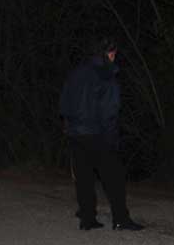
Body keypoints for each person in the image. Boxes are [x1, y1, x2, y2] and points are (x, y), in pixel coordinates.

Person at [59, 36, 143, 231]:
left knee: (84, 177)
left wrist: (69, 127)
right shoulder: (106, 74)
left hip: (76, 133)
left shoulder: (76, 72)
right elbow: (110, 110)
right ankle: (121, 219)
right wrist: (112, 138)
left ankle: (87, 218)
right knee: (114, 177)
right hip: (98, 133)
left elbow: (63, 104)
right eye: (114, 53)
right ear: (109, 53)